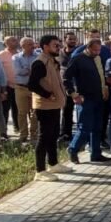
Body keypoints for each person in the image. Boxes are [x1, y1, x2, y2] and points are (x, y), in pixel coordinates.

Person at [27, 34, 69, 181]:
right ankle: (40, 171)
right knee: (44, 137)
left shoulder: (53, 61)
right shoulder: (40, 63)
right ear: (45, 47)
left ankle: (53, 163)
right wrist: (48, 95)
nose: (59, 47)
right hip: (44, 106)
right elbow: (32, 84)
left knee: (53, 135)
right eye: (55, 45)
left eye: (59, 45)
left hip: (55, 105)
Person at [65, 34, 111, 164]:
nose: (97, 52)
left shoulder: (97, 58)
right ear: (88, 47)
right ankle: (73, 149)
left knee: (97, 127)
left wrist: (104, 89)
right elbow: (66, 78)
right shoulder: (77, 59)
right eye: (95, 50)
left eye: (99, 50)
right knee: (84, 127)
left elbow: (101, 76)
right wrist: (73, 94)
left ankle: (96, 153)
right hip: (85, 99)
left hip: (99, 97)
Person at [11, 37, 40, 144]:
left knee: (35, 112)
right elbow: (18, 71)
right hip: (21, 88)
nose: (33, 46)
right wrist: (30, 70)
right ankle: (23, 135)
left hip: (35, 88)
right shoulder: (16, 57)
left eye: (33, 44)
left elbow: (39, 71)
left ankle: (34, 135)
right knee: (22, 112)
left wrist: (28, 70)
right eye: (29, 44)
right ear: (22, 46)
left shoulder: (38, 56)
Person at [0, 36, 20, 135]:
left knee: (17, 108)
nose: (16, 42)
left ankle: (17, 128)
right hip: (5, 87)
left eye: (16, 40)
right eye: (12, 41)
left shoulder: (20, 54)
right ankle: (3, 130)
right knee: (4, 109)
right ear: (6, 43)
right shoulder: (0, 56)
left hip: (19, 86)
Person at [59, 31, 80, 140]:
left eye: (74, 39)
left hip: (78, 85)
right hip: (65, 86)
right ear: (65, 40)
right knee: (66, 110)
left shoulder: (79, 52)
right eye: (70, 39)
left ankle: (81, 135)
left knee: (80, 110)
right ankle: (65, 133)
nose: (72, 41)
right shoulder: (59, 53)